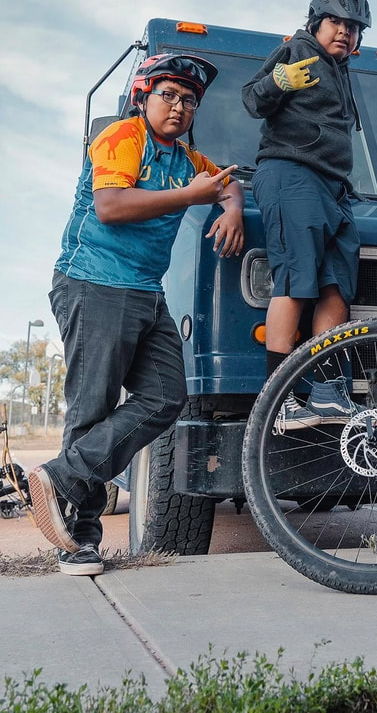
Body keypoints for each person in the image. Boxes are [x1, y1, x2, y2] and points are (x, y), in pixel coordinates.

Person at [29, 53, 245, 576]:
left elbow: (228, 180)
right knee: (92, 409)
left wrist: (232, 206)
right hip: (95, 284)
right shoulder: (122, 138)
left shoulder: (188, 158)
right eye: (167, 95)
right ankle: (78, 542)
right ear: (144, 97)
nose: (179, 106)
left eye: (189, 100)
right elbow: (111, 206)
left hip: (146, 292)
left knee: (169, 395)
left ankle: (61, 475)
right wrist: (187, 197)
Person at [242, 0, 371, 429]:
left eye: (353, 27)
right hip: (290, 173)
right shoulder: (296, 50)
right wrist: (277, 82)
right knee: (296, 282)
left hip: (333, 186)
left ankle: (328, 392)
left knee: (337, 286)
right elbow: (251, 98)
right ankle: (276, 400)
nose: (344, 32)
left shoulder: (342, 70)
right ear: (317, 22)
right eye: (336, 22)